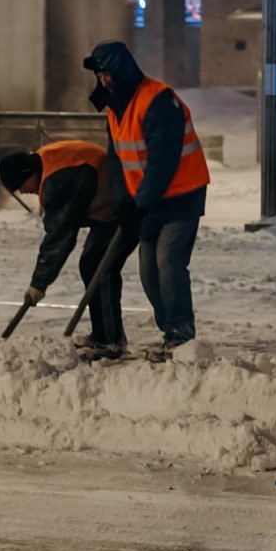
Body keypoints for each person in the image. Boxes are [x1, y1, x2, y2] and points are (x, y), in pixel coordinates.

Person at [83, 40, 210, 358]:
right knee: (148, 271)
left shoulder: (158, 100)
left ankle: (181, 336)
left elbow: (162, 161)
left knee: (169, 264)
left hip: (181, 196)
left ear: (120, 71)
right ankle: (170, 331)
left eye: (106, 74)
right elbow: (117, 161)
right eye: (99, 76)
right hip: (149, 200)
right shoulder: (115, 108)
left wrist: (140, 202)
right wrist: (124, 200)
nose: (103, 81)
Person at [0, 140, 137, 359]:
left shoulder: (59, 181)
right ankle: (103, 335)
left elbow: (60, 237)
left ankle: (111, 341)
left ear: (28, 172)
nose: (23, 192)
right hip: (109, 208)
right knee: (91, 264)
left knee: (100, 268)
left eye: (21, 185)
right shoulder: (46, 162)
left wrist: (39, 284)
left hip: (124, 209)